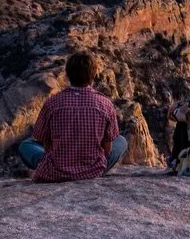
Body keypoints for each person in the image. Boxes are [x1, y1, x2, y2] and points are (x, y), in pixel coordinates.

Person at [19, 51, 129, 182]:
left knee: (26, 145)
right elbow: (107, 148)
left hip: (55, 172)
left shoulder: (52, 103)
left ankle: (54, 166)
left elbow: (44, 141)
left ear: (68, 74)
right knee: (121, 141)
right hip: (92, 171)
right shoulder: (105, 104)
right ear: (93, 75)